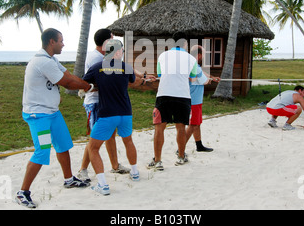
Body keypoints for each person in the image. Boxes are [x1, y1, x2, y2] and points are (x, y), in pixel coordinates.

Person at [16, 28, 92, 209]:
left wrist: (85, 84)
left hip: (53, 113)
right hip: (38, 115)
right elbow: (67, 83)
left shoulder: (52, 59)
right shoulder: (43, 62)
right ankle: (23, 192)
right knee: (42, 152)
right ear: (52, 42)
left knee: (63, 145)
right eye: (61, 41)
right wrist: (88, 86)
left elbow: (68, 76)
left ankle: (68, 179)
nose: (63, 44)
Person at [82, 39, 144, 195]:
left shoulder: (97, 67)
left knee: (93, 147)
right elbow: (132, 81)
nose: (122, 53)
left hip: (107, 114)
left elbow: (84, 82)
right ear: (116, 52)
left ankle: (103, 185)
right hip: (125, 112)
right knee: (128, 141)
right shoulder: (126, 67)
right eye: (121, 51)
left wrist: (95, 87)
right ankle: (135, 172)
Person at [77, 29, 130, 183]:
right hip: (95, 102)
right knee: (95, 139)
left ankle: (115, 165)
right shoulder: (96, 58)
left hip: (105, 101)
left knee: (110, 134)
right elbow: (93, 82)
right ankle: (83, 170)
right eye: (112, 39)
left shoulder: (102, 57)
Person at [148, 31, 198, 170]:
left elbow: (159, 74)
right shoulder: (191, 59)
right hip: (183, 95)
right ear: (185, 44)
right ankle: (181, 157)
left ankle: (158, 161)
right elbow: (192, 76)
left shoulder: (163, 55)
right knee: (181, 128)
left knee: (159, 128)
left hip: (164, 94)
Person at [187, 45, 220, 152]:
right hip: (194, 100)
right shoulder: (193, 65)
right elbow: (204, 81)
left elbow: (202, 73)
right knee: (193, 124)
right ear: (199, 55)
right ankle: (180, 147)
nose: (203, 57)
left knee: (197, 123)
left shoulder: (192, 63)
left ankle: (199, 145)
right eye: (203, 55)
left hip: (196, 100)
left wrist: (212, 77)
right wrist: (208, 80)